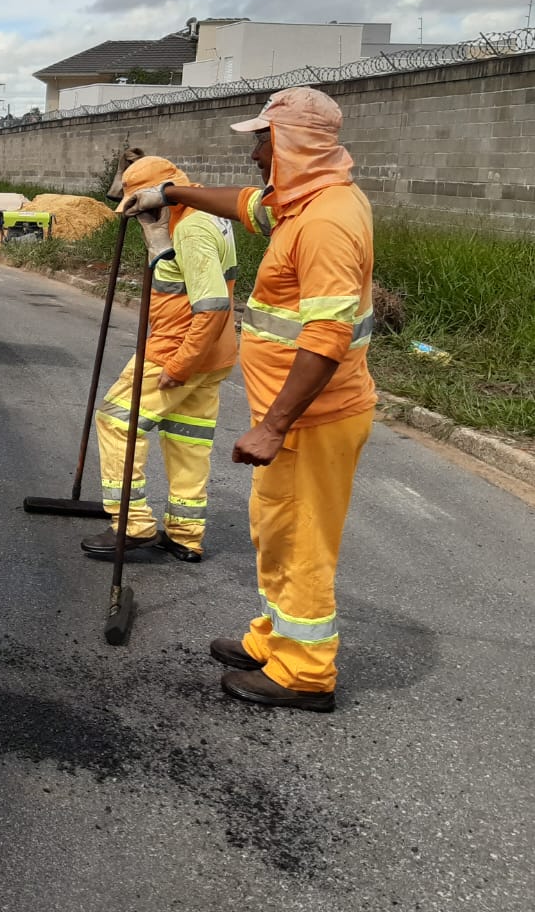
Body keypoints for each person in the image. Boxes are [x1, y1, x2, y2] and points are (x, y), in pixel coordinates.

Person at [121, 87, 375, 713]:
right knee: (274, 529)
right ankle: (274, 641)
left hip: (314, 419)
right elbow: (240, 205)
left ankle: (306, 673)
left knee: (301, 538)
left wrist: (275, 425)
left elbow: (327, 335)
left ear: (293, 144)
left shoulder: (325, 222)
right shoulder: (301, 202)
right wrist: (171, 195)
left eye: (263, 141)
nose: (256, 156)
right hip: (292, 416)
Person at [83, 154, 238, 564]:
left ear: (161, 195)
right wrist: (157, 240)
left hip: (178, 348)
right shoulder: (204, 214)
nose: (140, 215)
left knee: (116, 422)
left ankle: (131, 525)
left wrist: (179, 365)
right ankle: (185, 534)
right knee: (187, 441)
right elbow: (184, 277)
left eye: (144, 206)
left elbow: (211, 305)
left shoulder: (192, 229)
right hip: (215, 353)